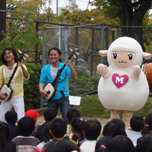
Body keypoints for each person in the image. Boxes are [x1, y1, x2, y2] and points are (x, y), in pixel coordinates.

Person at [39, 47, 76, 122]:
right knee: (50, 119)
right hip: (51, 97)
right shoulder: (45, 68)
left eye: (55, 54)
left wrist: (71, 67)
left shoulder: (65, 66)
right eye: (51, 55)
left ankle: (67, 133)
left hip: (63, 96)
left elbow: (74, 77)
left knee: (66, 117)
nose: (53, 56)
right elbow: (42, 81)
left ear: (59, 56)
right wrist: (41, 90)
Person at [0, 48, 30, 122]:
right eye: (5, 54)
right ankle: (3, 133)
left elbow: (26, 77)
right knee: (1, 118)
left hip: (18, 95)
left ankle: (21, 133)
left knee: (20, 118)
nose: (7, 55)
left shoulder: (20, 66)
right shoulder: (2, 68)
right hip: (6, 95)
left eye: (9, 53)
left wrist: (22, 67)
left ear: (14, 55)